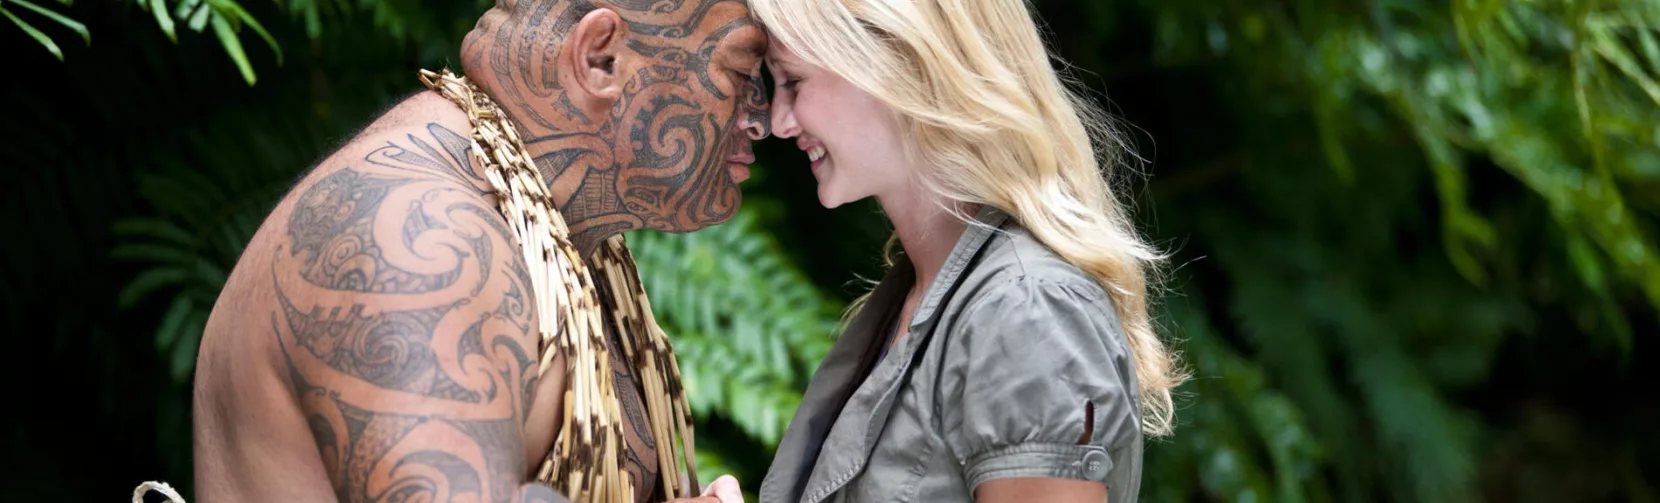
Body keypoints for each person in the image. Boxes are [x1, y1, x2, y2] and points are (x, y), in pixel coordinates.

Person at [186, 0, 770, 502]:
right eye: (743, 73)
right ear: (600, 58)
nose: (767, 118)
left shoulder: (553, 230)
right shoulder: (413, 239)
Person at [749, 0, 1189, 501]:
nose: (778, 121)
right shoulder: (929, 297)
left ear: (901, 63)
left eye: (792, 81)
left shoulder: (1028, 311)